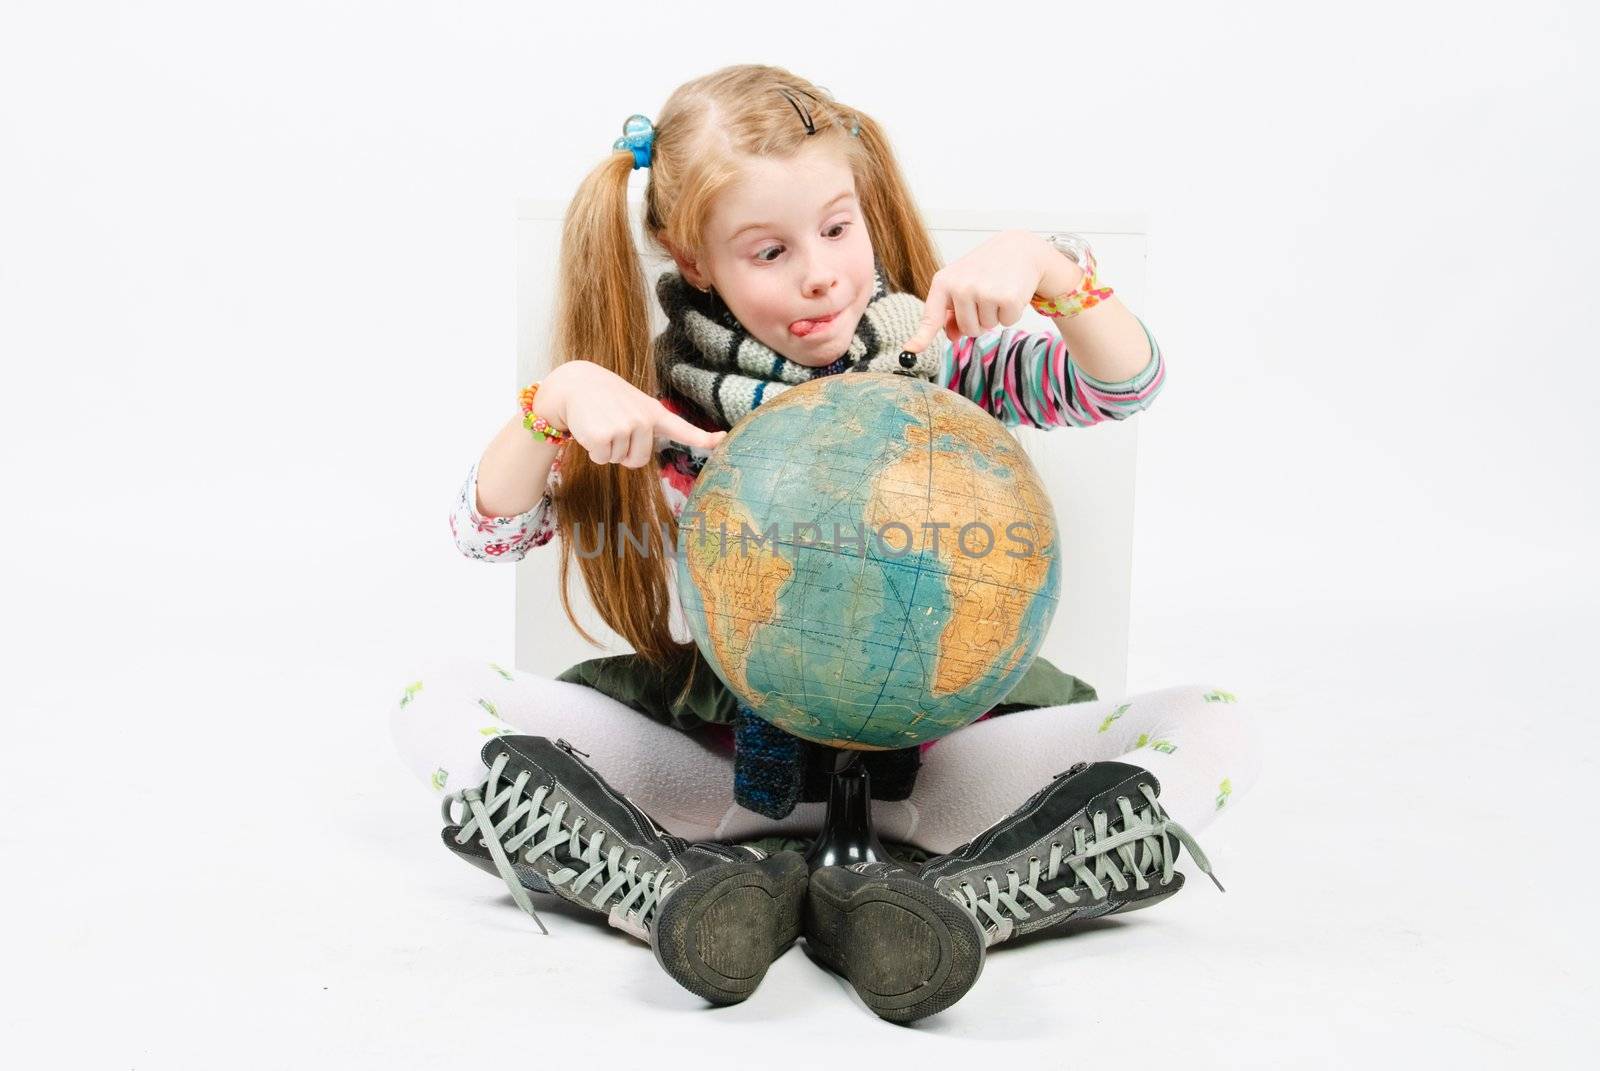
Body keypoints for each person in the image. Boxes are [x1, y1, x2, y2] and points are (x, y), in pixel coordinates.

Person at [390, 63, 1263, 1023]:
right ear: (693, 260)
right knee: (440, 700)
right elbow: (487, 532)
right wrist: (552, 407)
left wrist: (1051, 270)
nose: (821, 271)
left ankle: (956, 902)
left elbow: (1124, 385)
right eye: (768, 250)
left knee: (1212, 724)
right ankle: (670, 890)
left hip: (936, 774)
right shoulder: (665, 409)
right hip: (718, 780)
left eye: (837, 228)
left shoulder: (939, 364)